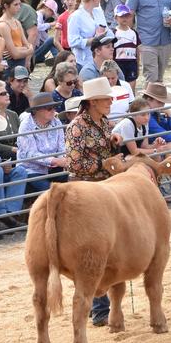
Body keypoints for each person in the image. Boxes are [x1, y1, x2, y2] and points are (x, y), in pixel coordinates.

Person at [63, 77, 119, 324]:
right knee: (92, 250)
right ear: (93, 102)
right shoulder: (76, 127)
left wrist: (115, 148)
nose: (110, 101)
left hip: (104, 188)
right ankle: (100, 309)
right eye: (106, 98)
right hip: (83, 192)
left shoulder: (104, 123)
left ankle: (94, 305)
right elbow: (75, 163)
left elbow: (106, 151)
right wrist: (103, 163)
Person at [17, 91, 68, 193]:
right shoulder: (26, 126)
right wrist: (55, 161)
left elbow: (61, 146)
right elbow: (30, 154)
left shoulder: (56, 122)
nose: (53, 111)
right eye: (49, 108)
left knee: (72, 182)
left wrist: (62, 160)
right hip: (32, 170)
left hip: (54, 168)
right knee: (52, 192)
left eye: (54, 107)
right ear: (37, 111)